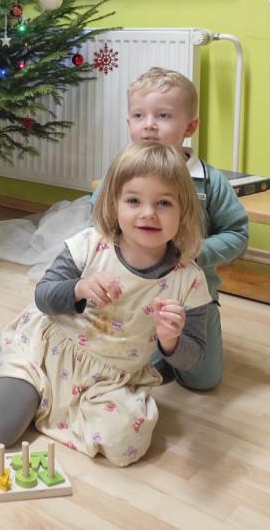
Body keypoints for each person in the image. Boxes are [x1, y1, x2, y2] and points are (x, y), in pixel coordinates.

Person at [0, 141, 213, 467]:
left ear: (183, 211)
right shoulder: (89, 245)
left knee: (126, 445)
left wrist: (170, 340)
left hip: (109, 379)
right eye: (134, 200)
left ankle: (36, 406)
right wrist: (78, 288)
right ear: (114, 204)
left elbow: (194, 356)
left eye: (164, 202)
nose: (148, 213)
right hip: (47, 354)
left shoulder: (189, 280)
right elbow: (43, 296)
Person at [94, 66, 248, 389]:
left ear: (190, 126)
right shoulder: (119, 174)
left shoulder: (209, 182)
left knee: (203, 382)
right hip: (136, 298)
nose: (149, 124)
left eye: (163, 116)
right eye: (139, 115)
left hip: (194, 299)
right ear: (129, 122)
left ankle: (180, 350)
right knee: (142, 373)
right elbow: (97, 221)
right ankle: (160, 353)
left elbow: (237, 234)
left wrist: (196, 252)